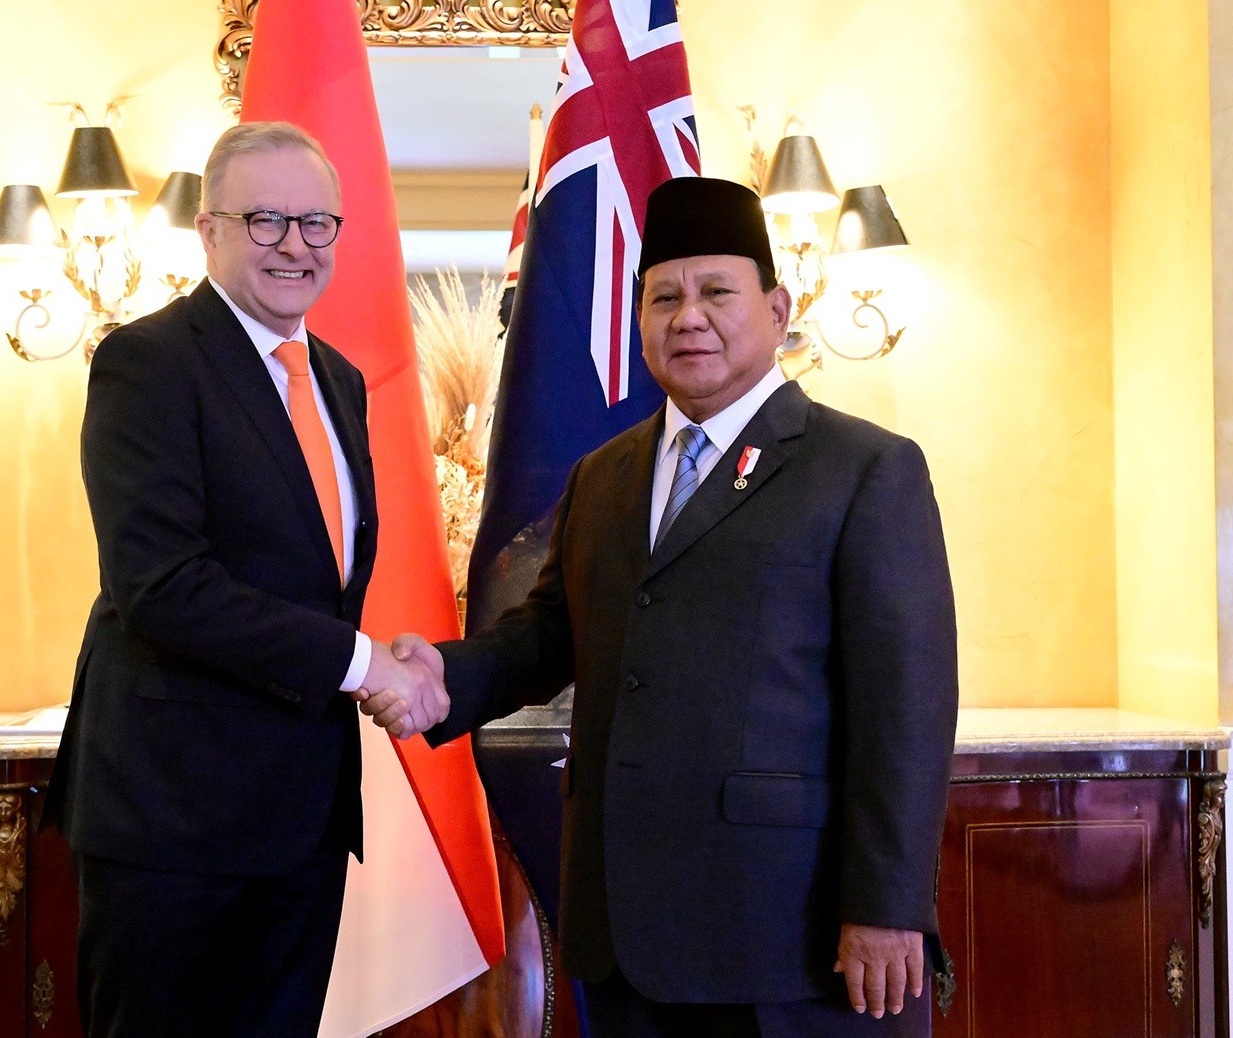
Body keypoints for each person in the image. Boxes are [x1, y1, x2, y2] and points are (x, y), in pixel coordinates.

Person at [365, 176, 958, 1037]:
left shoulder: (863, 470)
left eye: (718, 291)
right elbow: (547, 636)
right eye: (664, 296)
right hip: (625, 930)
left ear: (778, 304)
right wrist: (441, 677)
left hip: (791, 938)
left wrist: (888, 904)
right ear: (639, 319)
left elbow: (906, 708)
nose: (690, 316)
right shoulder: (603, 476)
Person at [42, 121, 447, 1038]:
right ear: (209, 230)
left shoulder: (339, 379)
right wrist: (365, 665)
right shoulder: (148, 363)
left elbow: (313, 579)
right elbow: (164, 586)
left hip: (299, 818)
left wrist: (379, 655)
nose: (294, 246)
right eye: (264, 221)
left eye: (315, 224)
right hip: (169, 821)